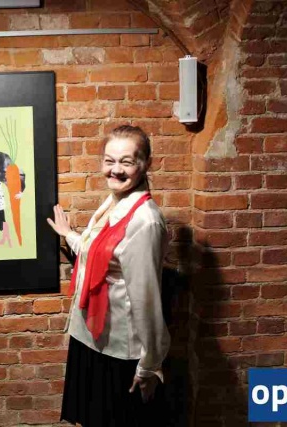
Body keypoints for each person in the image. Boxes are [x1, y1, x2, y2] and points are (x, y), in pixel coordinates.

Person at [47, 125, 170, 426]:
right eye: (109, 160)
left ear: (146, 163)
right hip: (92, 337)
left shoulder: (145, 221)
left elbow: (147, 300)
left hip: (119, 349)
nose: (115, 170)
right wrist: (69, 234)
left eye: (126, 162)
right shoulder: (114, 202)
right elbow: (100, 255)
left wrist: (150, 366)